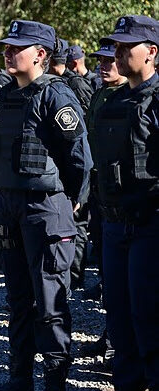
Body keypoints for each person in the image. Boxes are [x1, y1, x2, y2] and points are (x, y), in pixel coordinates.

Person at [0, 20, 92, 391]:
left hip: (46, 210)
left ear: (40, 54)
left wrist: (69, 202)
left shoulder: (56, 96)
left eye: (17, 48)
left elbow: (80, 161)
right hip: (10, 208)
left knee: (49, 305)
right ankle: (19, 383)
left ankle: (54, 390)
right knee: (18, 302)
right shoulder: (8, 95)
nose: (8, 53)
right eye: (6, 48)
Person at [93, 15, 159, 391]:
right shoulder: (114, 101)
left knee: (148, 316)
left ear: (151, 52)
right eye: (115, 45)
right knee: (118, 317)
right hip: (114, 226)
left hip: (150, 225)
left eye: (125, 45)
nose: (117, 51)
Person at [78, 42, 126, 366]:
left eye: (110, 60)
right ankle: (110, 337)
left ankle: (120, 347)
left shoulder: (134, 97)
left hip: (127, 202)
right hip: (101, 197)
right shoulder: (99, 94)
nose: (104, 65)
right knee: (108, 275)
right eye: (101, 60)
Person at [48, 38, 93, 289]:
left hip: (79, 161)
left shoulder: (75, 84)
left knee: (78, 226)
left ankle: (74, 277)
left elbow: (81, 127)